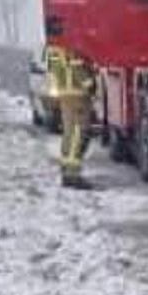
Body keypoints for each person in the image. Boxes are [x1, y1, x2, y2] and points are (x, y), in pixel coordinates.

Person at [45, 17, 95, 190]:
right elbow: (78, 70)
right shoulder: (66, 49)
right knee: (78, 135)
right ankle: (73, 175)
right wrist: (91, 85)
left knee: (69, 134)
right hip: (77, 96)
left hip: (65, 96)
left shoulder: (51, 50)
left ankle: (67, 170)